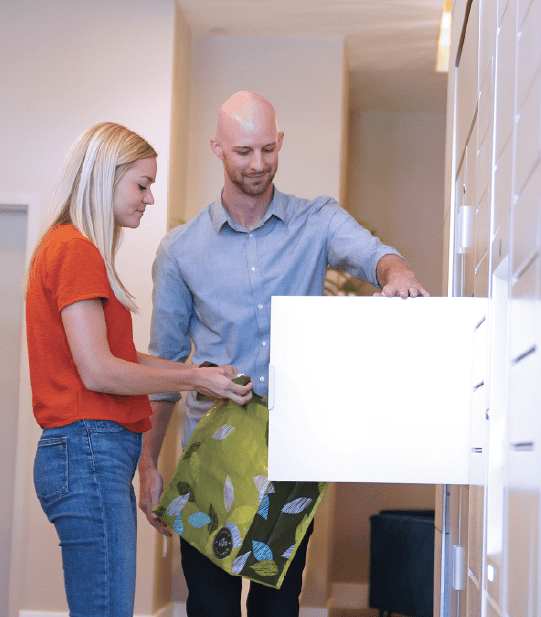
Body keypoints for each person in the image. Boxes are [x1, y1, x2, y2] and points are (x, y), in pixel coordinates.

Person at [138, 91, 429, 617]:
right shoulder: (180, 250)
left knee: (279, 605)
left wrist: (398, 272)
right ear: (217, 149)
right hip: (212, 455)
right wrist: (149, 462)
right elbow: (163, 367)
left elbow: (374, 254)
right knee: (211, 606)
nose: (258, 164)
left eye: (268, 149)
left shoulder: (316, 222)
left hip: (291, 452)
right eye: (244, 151)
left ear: (281, 143)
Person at [25, 122, 253, 617]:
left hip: (85, 452)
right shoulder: (75, 250)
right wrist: (193, 377)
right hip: (89, 450)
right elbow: (100, 371)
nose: (149, 199)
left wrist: (197, 370)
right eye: (142, 184)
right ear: (105, 177)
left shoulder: (68, 247)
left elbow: (118, 357)